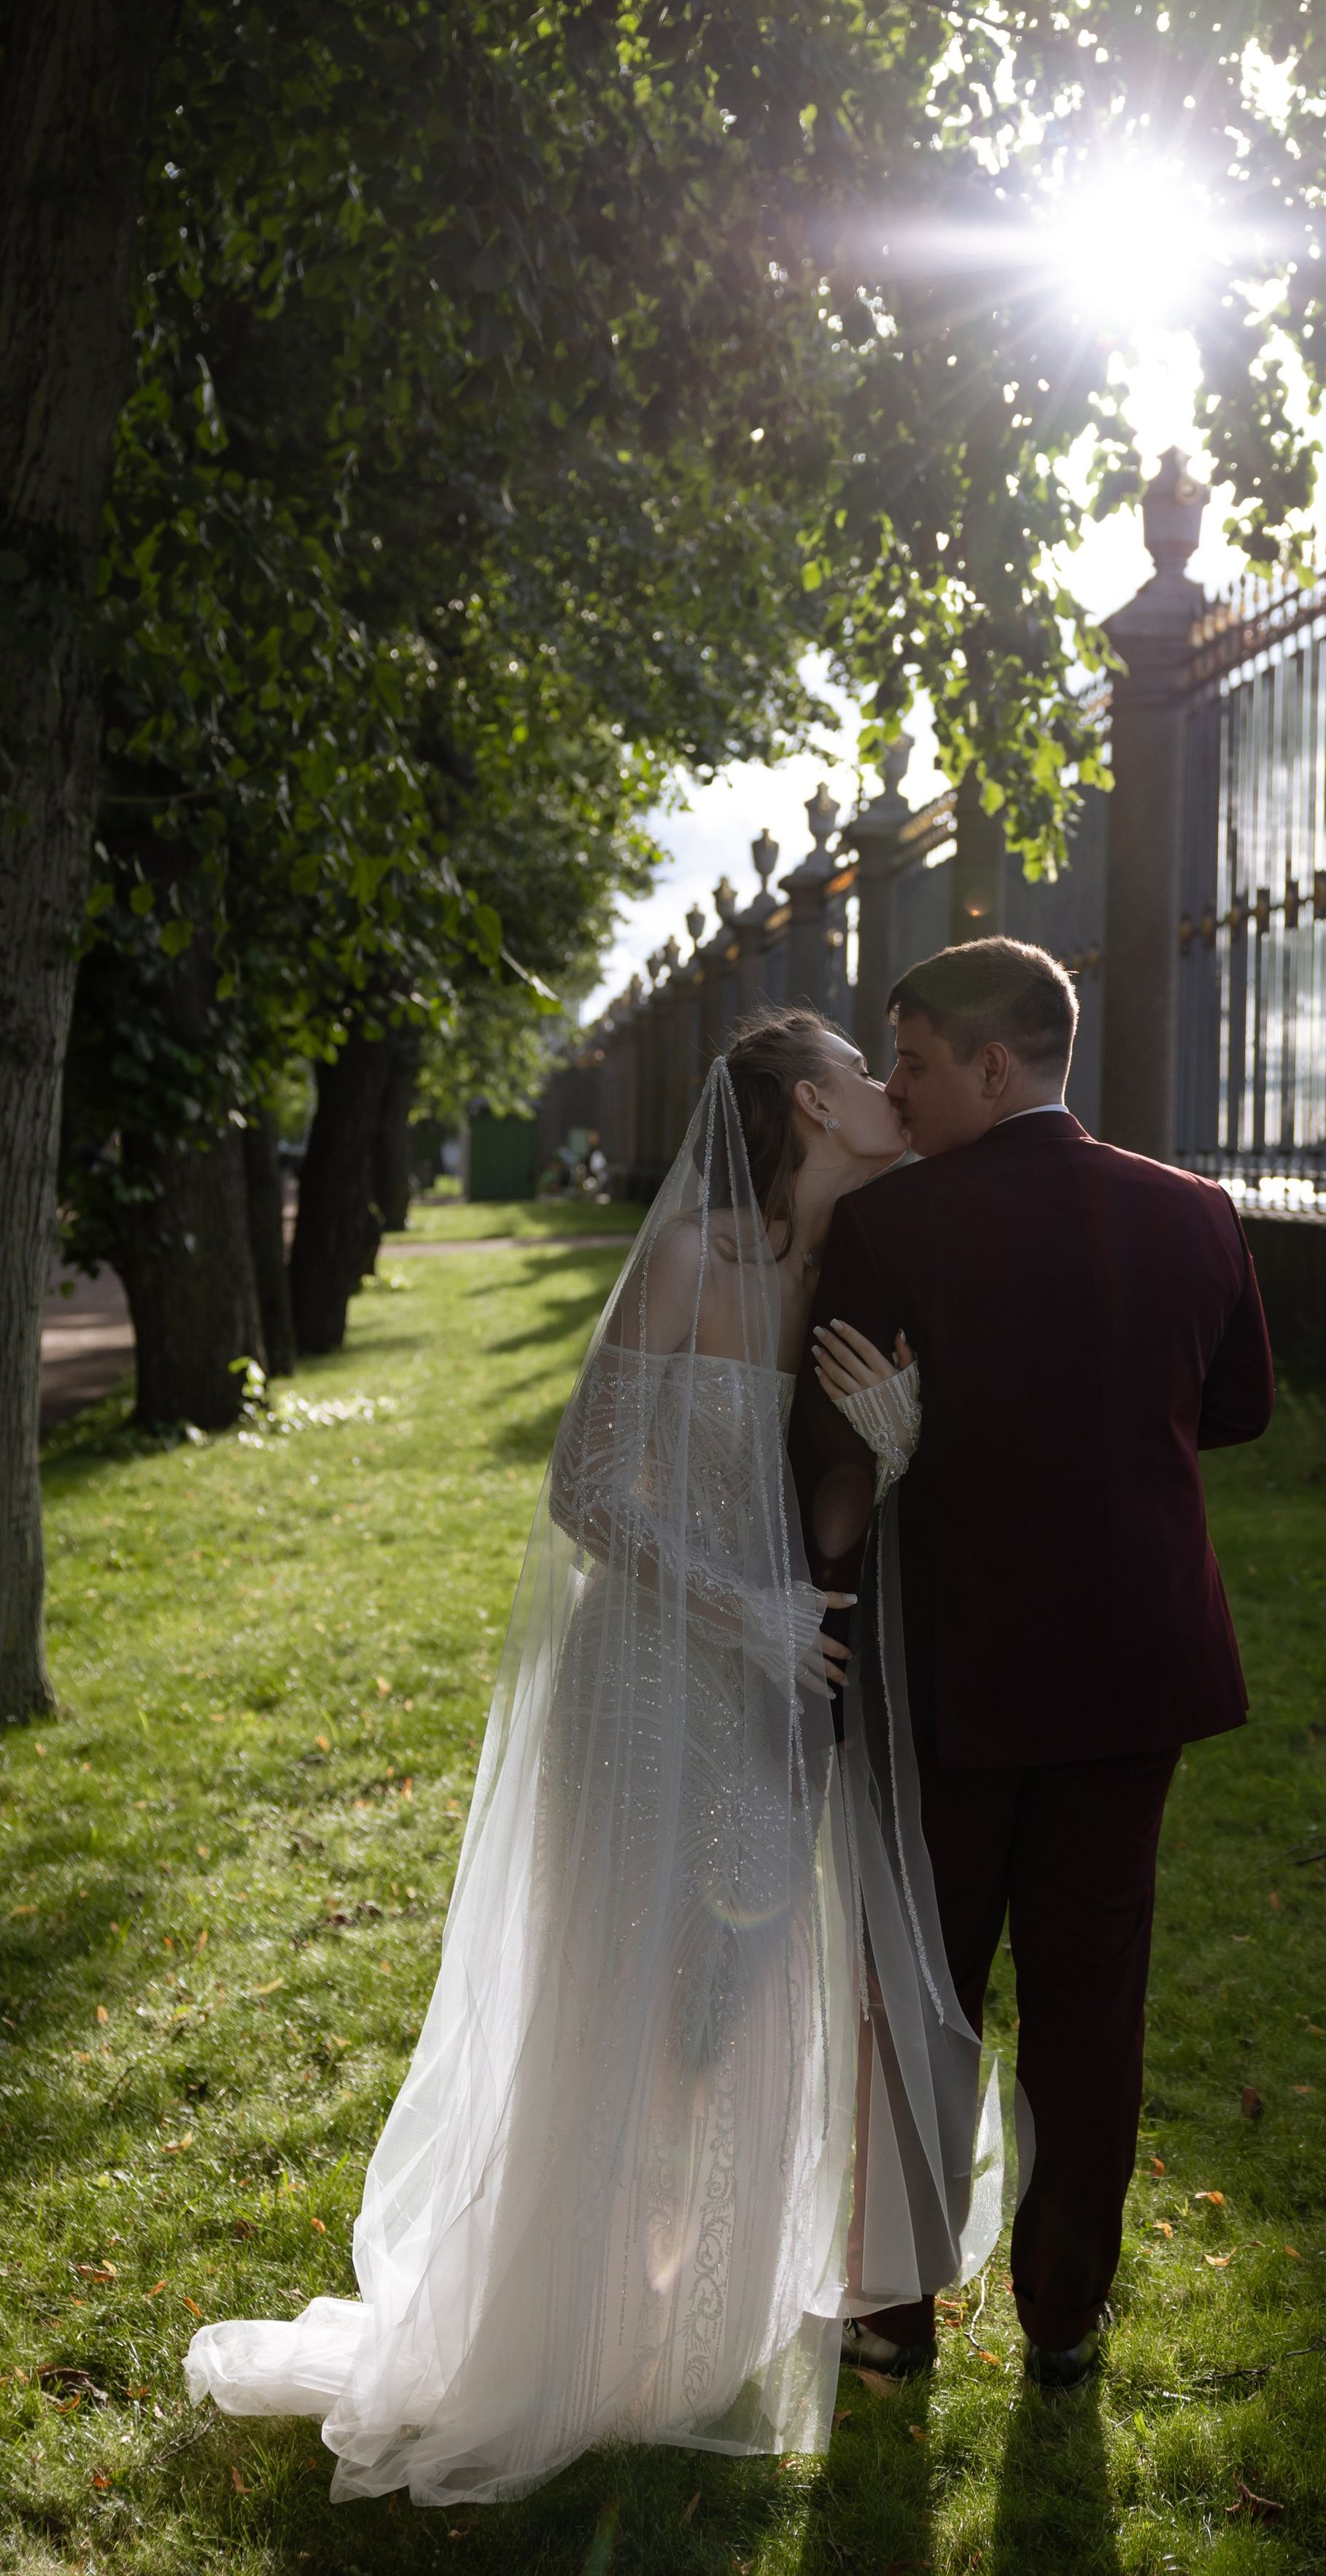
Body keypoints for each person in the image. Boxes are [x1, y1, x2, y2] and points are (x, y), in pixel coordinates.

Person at [184, 1014, 1000, 2504]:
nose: (891, 1082)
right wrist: (744, 1608)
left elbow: (822, 1492)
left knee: (732, 1996)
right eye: (860, 1063)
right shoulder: (689, 1254)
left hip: (771, 1687)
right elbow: (583, 1487)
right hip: (649, 1676)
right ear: (811, 1104)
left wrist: (886, 1461)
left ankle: (679, 2318)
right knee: (625, 1987)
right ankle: (568, 2329)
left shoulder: (853, 1269)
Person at [794, 937, 1273, 2389]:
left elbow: (831, 1450)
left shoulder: (888, 1226)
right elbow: (1234, 1409)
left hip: (953, 1668)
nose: (897, 1090)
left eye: (914, 1062)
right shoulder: (1198, 1209)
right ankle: (1064, 2313)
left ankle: (893, 2314)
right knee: (1091, 1999)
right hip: (1133, 1668)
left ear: (993, 1065)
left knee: (919, 1988)